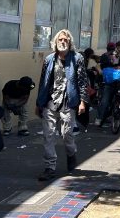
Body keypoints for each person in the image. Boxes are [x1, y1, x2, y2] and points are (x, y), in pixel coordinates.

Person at [35, 29, 88, 181]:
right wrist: (39, 103)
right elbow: (43, 82)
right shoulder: (49, 59)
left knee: (67, 135)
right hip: (50, 102)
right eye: (60, 40)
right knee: (48, 135)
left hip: (68, 102)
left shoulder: (77, 58)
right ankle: (49, 167)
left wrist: (83, 102)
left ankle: (71, 154)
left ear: (70, 42)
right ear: (55, 42)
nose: (63, 42)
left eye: (65, 40)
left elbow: (83, 82)